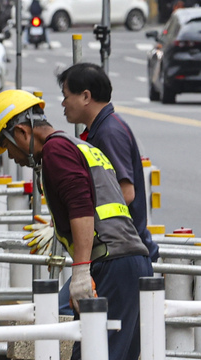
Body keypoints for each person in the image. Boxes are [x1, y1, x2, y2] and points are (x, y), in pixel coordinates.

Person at [0, 90, 153, 360]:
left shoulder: (56, 153)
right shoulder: (78, 146)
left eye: (9, 148)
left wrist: (80, 269)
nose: (13, 158)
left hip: (109, 263)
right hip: (127, 260)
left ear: (21, 131)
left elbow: (80, 204)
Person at [57, 62, 159, 264]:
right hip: (116, 248)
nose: (63, 103)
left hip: (122, 252)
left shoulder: (109, 133)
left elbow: (126, 194)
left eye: (66, 96)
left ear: (86, 97)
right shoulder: (102, 129)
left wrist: (82, 220)